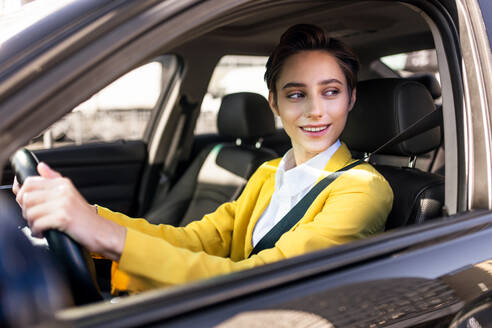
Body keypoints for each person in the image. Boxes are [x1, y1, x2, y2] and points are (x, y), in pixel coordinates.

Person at [14, 24, 393, 294]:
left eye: (330, 92)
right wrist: (88, 217)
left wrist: (108, 238)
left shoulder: (364, 189)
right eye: (296, 95)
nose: (315, 111)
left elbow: (263, 279)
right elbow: (196, 240)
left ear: (351, 99)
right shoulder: (269, 172)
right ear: (274, 103)